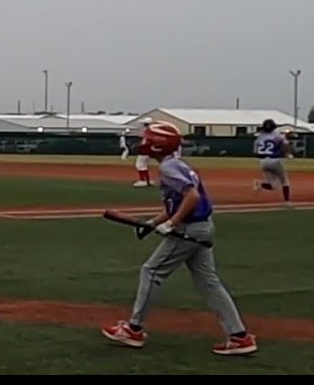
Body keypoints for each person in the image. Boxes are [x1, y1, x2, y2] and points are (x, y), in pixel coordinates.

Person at [102, 120, 257, 356]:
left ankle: (133, 330)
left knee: (151, 271)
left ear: (157, 145)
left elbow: (192, 197)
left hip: (189, 229)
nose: (144, 142)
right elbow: (179, 202)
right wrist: (154, 223)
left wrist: (171, 224)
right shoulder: (176, 164)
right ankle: (239, 337)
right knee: (209, 283)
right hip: (202, 227)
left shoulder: (168, 168)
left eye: (148, 139)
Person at [252, 118, 294, 206]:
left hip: (263, 162)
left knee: (273, 186)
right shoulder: (278, 136)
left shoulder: (259, 137)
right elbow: (285, 146)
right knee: (285, 182)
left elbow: (255, 152)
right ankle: (287, 202)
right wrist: (288, 154)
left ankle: (260, 184)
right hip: (276, 160)